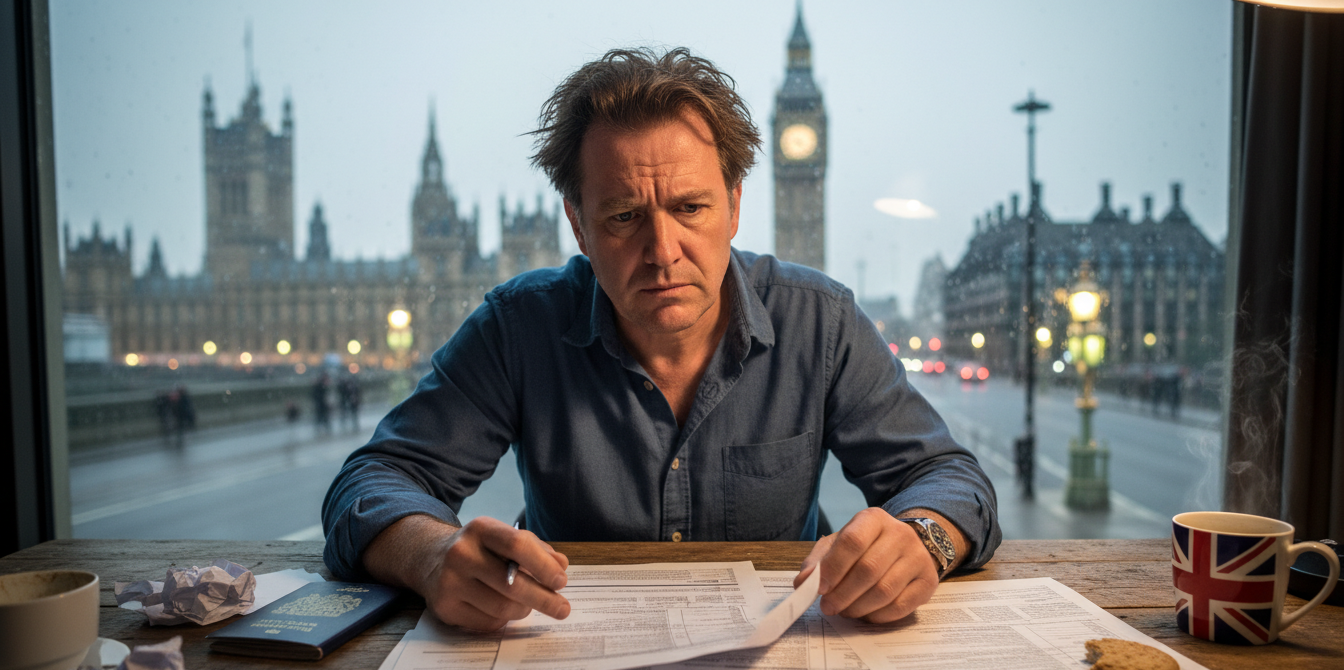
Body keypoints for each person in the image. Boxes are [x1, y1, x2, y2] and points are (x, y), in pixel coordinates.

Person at [322, 48, 999, 632]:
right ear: (579, 226)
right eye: (623, 217)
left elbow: (947, 479)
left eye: (690, 208)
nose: (662, 252)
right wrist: (433, 556)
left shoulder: (817, 323)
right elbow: (374, 482)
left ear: (734, 205)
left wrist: (922, 540)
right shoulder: (518, 328)